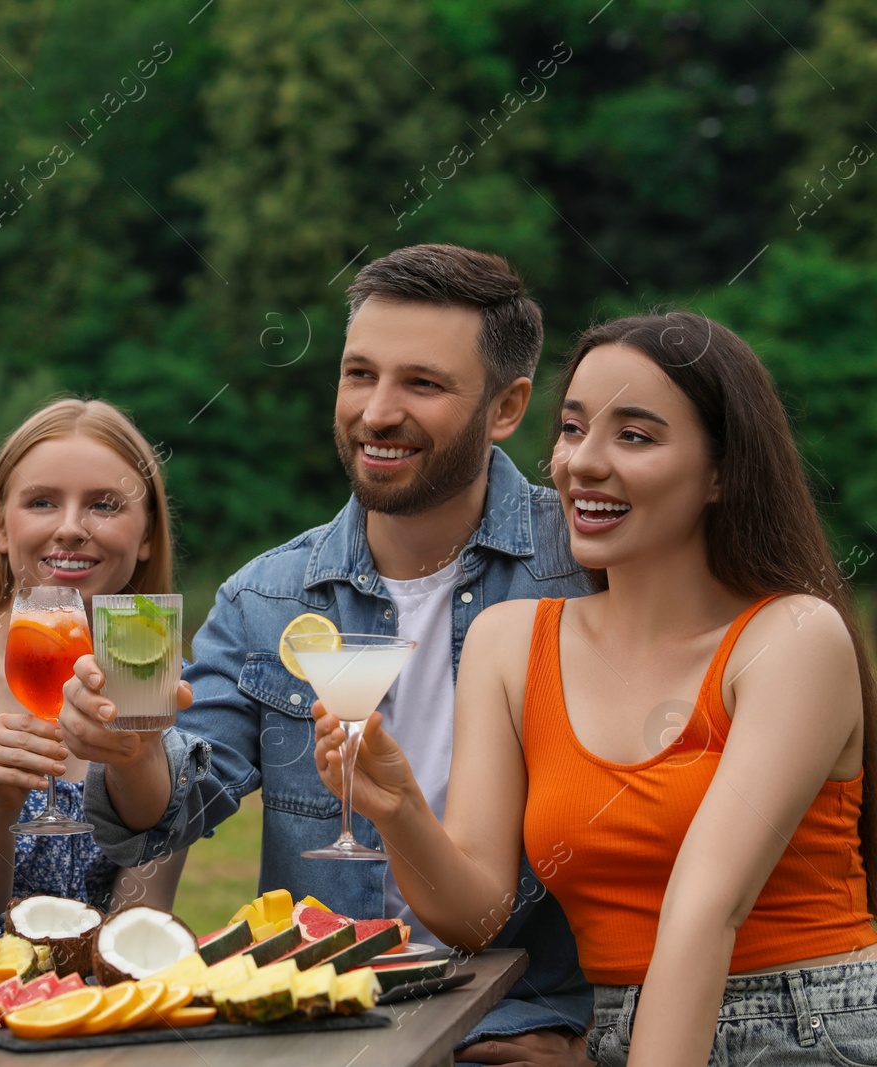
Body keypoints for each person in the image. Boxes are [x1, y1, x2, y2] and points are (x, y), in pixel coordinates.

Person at [63, 244, 597, 1061]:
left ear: (506, 407)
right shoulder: (265, 597)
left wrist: (586, 1032)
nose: (377, 411)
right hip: (333, 1028)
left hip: (526, 1024)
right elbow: (173, 806)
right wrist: (132, 753)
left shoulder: (588, 569)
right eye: (359, 374)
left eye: (422, 383)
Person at [316, 312, 877, 1065]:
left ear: (722, 472)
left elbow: (706, 909)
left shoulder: (793, 639)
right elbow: (476, 913)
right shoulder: (512, 642)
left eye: (636, 436)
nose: (583, 462)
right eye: (574, 429)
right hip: (622, 1029)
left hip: (804, 1027)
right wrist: (399, 806)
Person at [0, 398, 186, 924]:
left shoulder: (157, 673)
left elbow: (141, 921)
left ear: (147, 536)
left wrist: (143, 761)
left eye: (105, 505)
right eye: (43, 502)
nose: (72, 527)